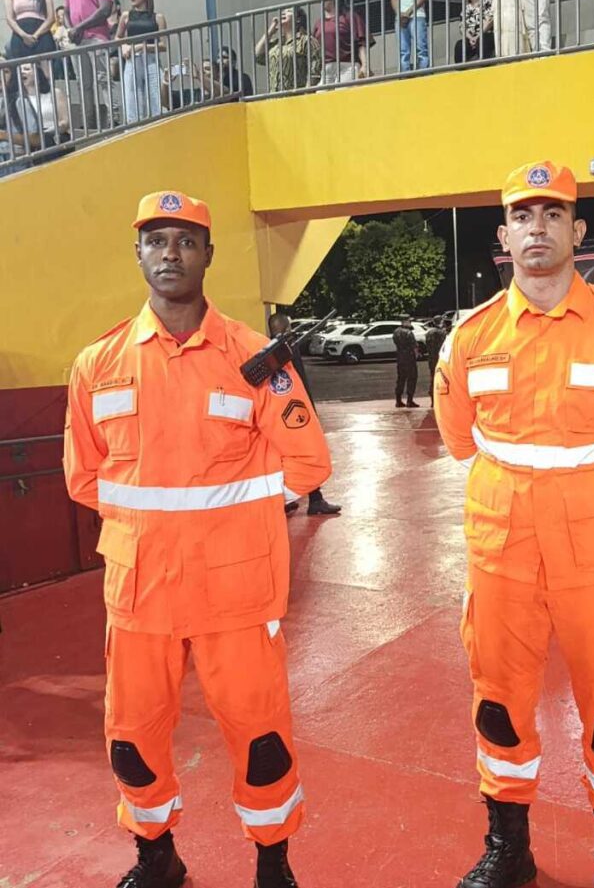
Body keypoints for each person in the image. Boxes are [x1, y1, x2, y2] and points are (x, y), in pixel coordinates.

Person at [64, 190, 332, 888]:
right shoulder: (97, 364)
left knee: (261, 736)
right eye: (156, 240)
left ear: (208, 253)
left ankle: (274, 862)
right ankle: (157, 854)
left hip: (234, 593)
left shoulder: (254, 359)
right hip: (140, 593)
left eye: (185, 240)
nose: (171, 253)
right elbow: (84, 477)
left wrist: (229, 522)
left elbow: (308, 462)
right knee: (133, 735)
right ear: (139, 253)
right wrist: (163, 526)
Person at [435, 160, 594, 888]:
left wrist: (592, 494)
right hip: (501, 554)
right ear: (503, 236)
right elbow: (460, 438)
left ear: (576, 231)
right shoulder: (471, 338)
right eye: (522, 215)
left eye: (551, 214)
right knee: (499, 706)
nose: (536, 227)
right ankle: (508, 847)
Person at [268, 313, 342, 516]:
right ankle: (315, 500)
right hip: (296, 412)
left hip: (281, 414)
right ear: (285, 328)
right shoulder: (286, 350)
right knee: (307, 455)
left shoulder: (270, 351)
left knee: (284, 458)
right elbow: (298, 381)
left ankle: (288, 500)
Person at [64, 0, 115, 129]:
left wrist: (80, 27)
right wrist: (71, 29)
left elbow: (105, 10)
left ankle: (114, 120)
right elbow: (66, 13)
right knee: (83, 84)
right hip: (78, 40)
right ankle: (89, 124)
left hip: (96, 37)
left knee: (104, 81)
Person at [116, 0, 167, 124]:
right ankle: (133, 129)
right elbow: (118, 37)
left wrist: (140, 46)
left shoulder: (158, 17)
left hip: (151, 60)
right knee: (132, 100)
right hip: (132, 60)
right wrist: (124, 46)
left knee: (155, 99)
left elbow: (163, 45)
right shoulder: (126, 16)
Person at [313, 0, 369, 83]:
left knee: (343, 95)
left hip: (347, 66)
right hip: (326, 69)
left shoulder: (349, 17)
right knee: (321, 96)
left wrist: (365, 65)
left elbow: (361, 43)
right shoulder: (318, 23)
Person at [254, 7, 321, 92]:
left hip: (296, 97)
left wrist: (307, 92)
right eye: (282, 12)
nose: (283, 13)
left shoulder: (306, 40)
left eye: (289, 11)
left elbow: (315, 69)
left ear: (298, 20)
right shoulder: (276, 43)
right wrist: (271, 31)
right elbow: (258, 56)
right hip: (274, 98)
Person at [17, 59, 70, 159]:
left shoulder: (55, 93)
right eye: (19, 70)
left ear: (37, 73)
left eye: (26, 69)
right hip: (31, 139)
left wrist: (48, 132)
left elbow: (66, 122)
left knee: (47, 143)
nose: (22, 72)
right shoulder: (18, 100)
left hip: (55, 135)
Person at [455, 0, 494, 64]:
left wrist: (477, 37)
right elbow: (462, 27)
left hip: (485, 34)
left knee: (482, 41)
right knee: (460, 45)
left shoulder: (487, 2)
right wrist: (471, 38)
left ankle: (485, 67)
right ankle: (461, 71)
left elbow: (489, 21)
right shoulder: (466, 8)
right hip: (470, 38)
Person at [393, 316, 419, 408]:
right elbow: (414, 346)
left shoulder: (396, 332)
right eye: (409, 321)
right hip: (409, 358)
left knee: (401, 379)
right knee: (412, 378)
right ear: (405, 321)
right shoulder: (409, 333)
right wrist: (416, 355)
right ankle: (409, 400)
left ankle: (398, 400)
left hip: (400, 358)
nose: (410, 323)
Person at [425, 315, 446, 406]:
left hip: (431, 359)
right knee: (442, 379)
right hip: (440, 359)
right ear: (440, 322)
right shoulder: (442, 333)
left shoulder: (429, 333)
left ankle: (433, 401)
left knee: (433, 378)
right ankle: (441, 400)